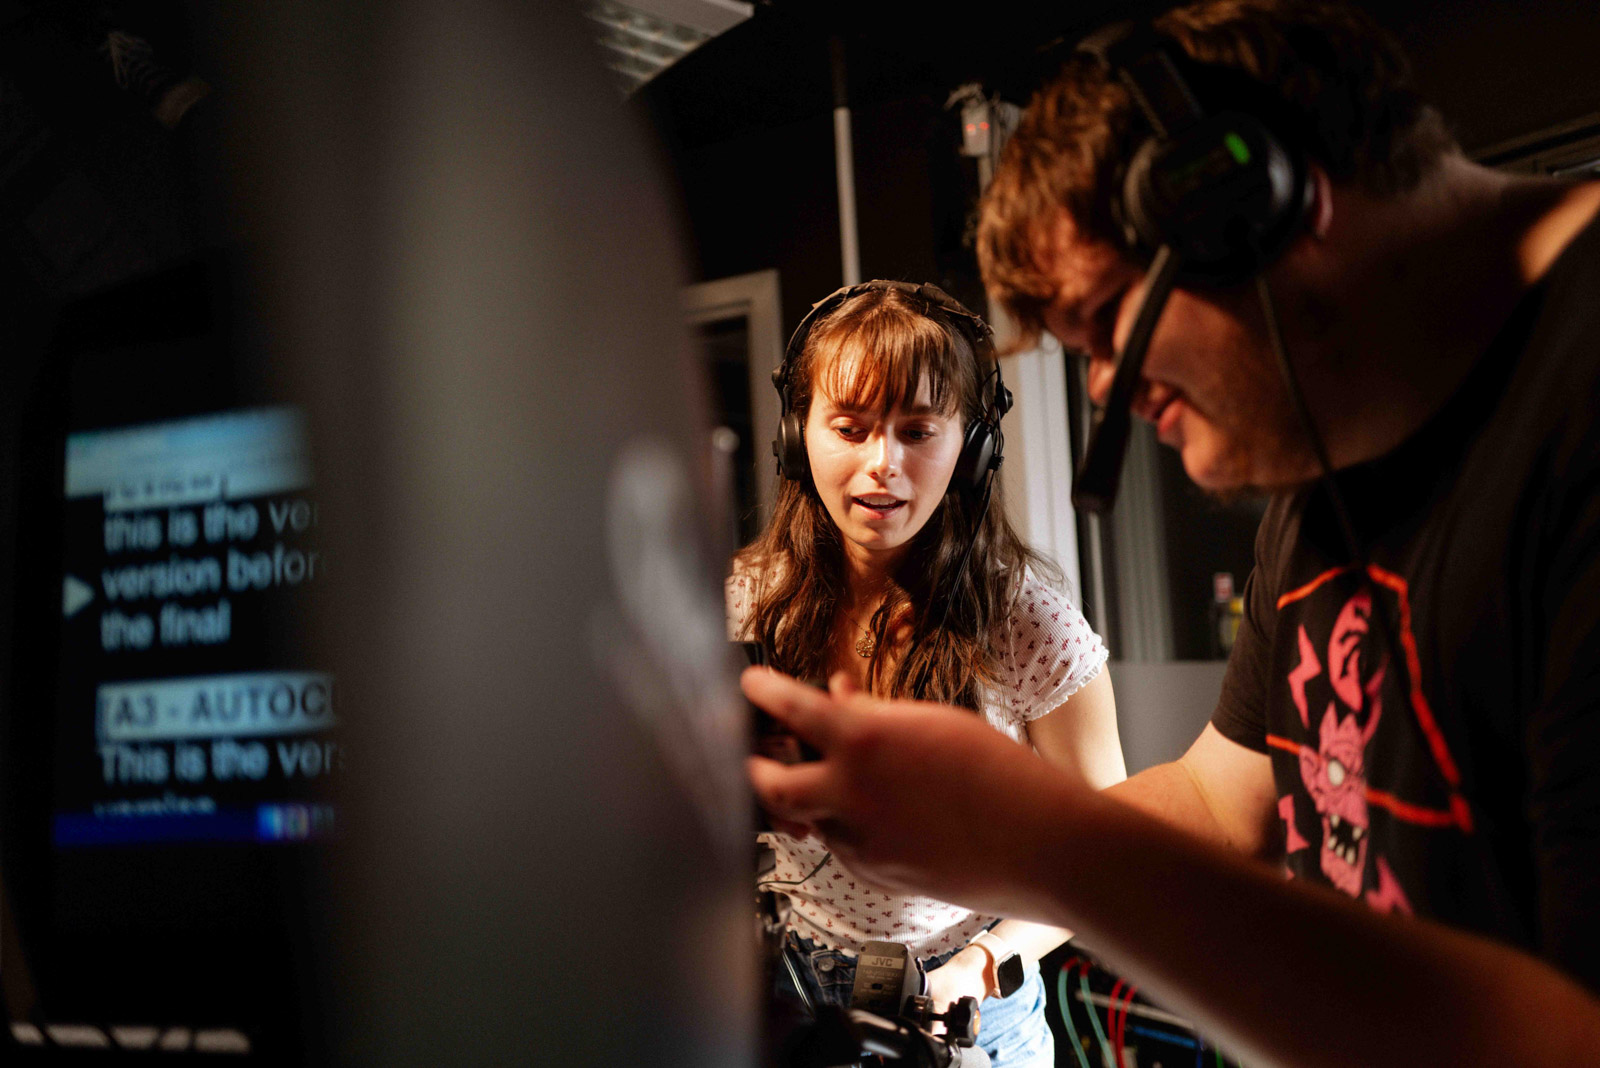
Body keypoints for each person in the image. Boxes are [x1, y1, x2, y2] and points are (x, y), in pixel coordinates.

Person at [744, 1, 1600, 1065]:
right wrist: (954, 817)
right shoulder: (1338, 445)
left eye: (1109, 328)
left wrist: (1038, 847)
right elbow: (1218, 796)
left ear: (1258, 208)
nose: (1107, 391)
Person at [730, 280, 1125, 1067]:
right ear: (795, 433)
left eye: (918, 431)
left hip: (972, 1003)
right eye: (849, 427)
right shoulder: (749, 600)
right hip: (792, 989)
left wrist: (975, 969)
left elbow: (1106, 853)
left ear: (973, 448)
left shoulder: (1029, 621)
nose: (883, 465)